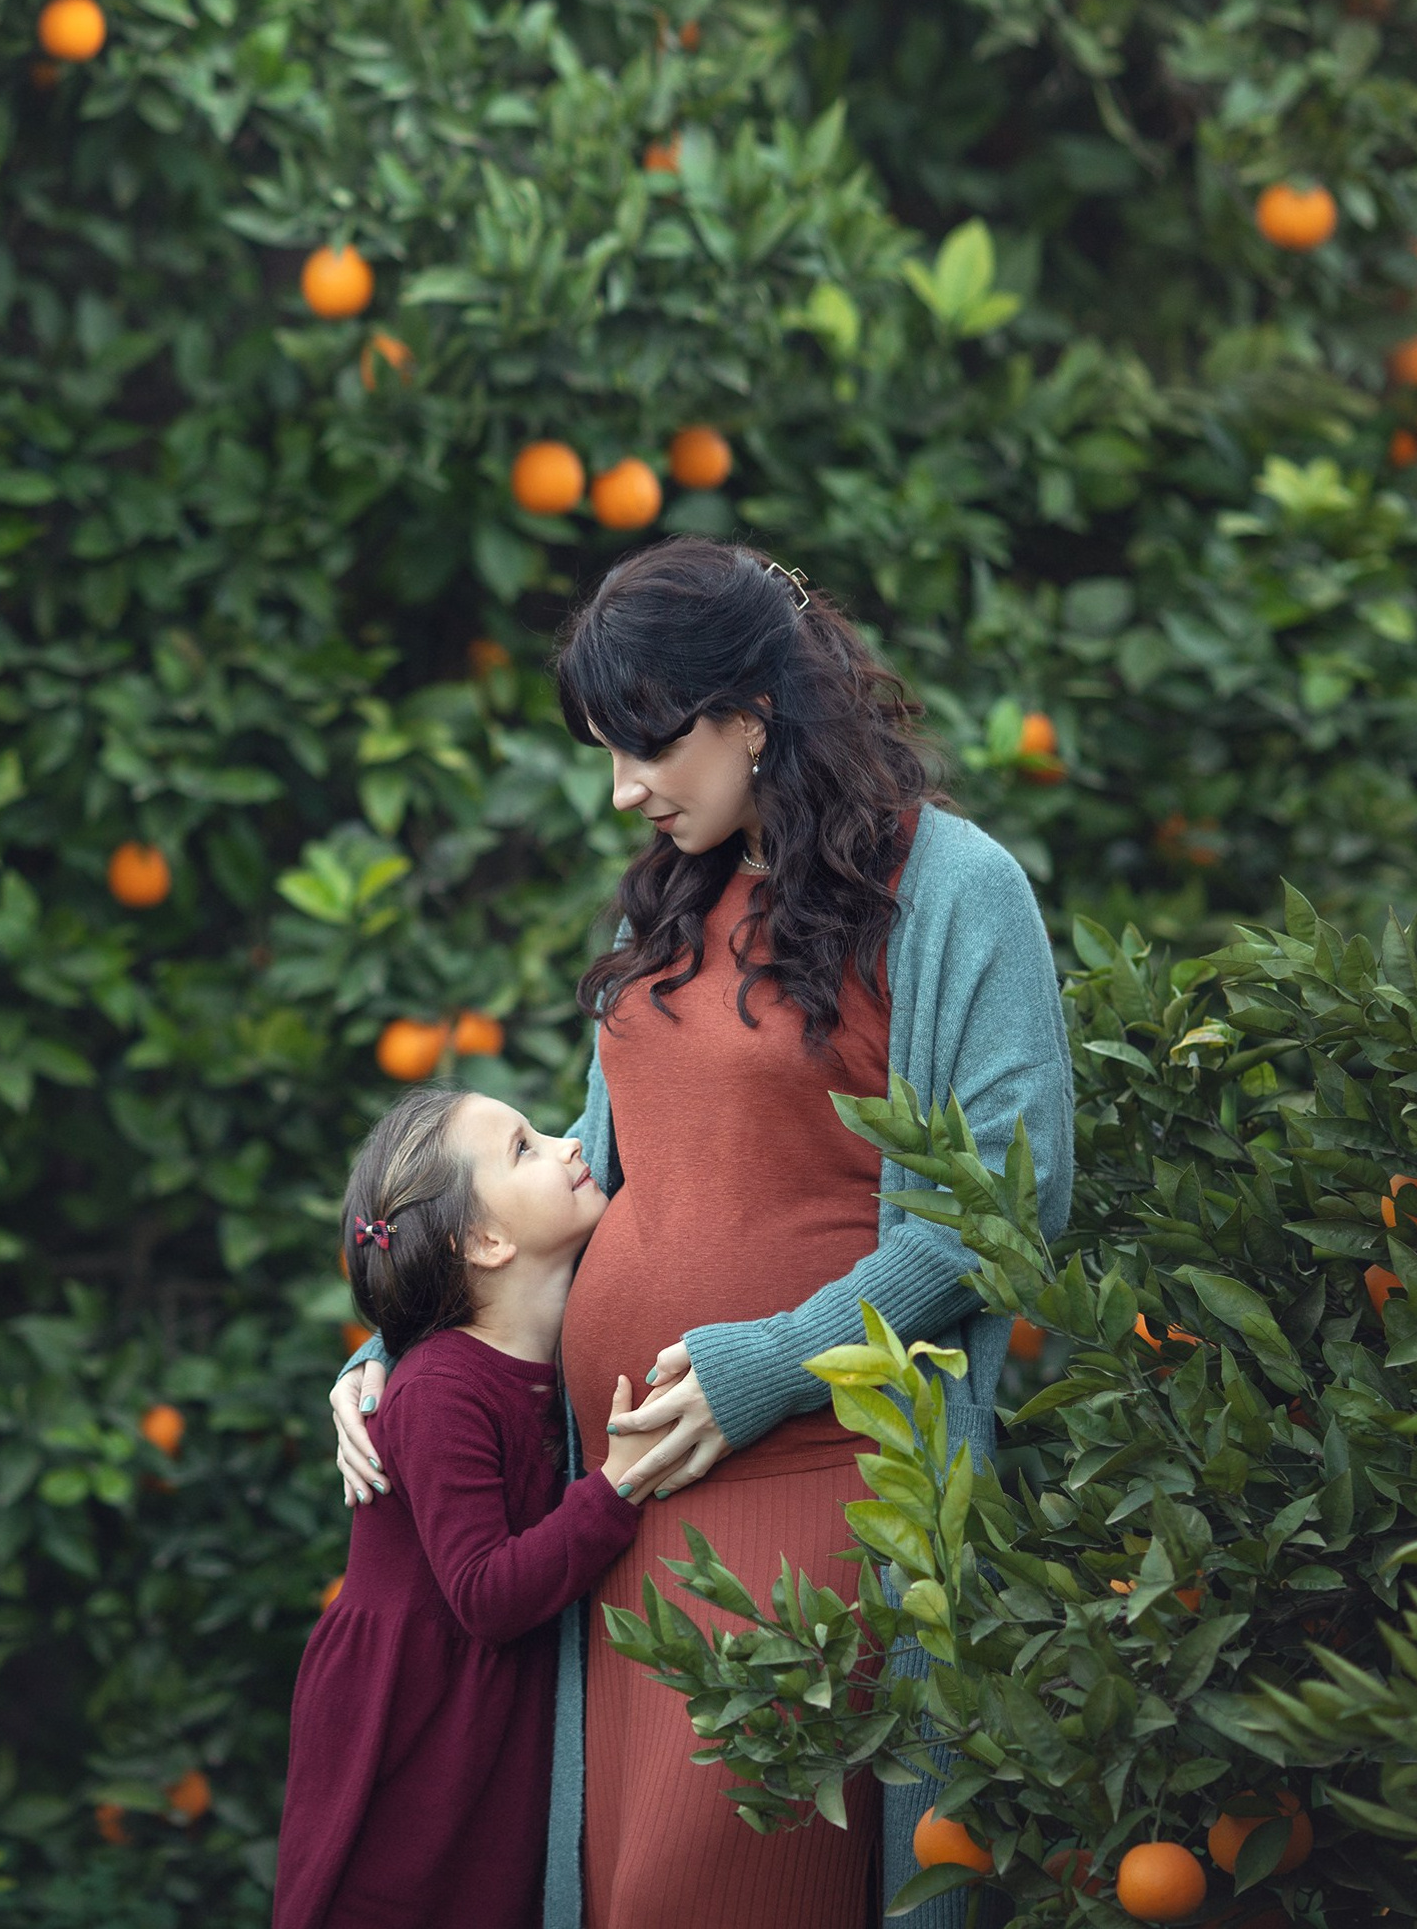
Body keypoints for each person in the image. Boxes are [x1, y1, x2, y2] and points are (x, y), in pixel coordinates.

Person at [329, 538, 1075, 1929]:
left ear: (752, 713)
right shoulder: (674, 892)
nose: (626, 791)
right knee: (619, 1892)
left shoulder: (957, 893)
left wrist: (770, 1367)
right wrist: (406, 1341)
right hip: (622, 1509)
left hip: (814, 1477)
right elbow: (591, 1163)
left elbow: (1004, 1207)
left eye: (649, 749)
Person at [274, 1087, 654, 1929]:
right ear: (484, 1240)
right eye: (526, 1146)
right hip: (414, 1716)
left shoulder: (530, 1350)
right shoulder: (442, 1389)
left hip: (480, 1696)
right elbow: (485, 1593)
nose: (569, 1144)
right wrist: (615, 1488)